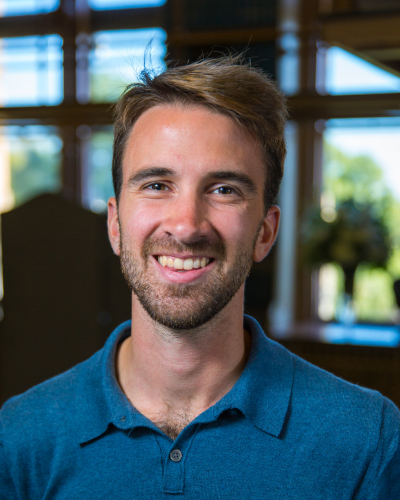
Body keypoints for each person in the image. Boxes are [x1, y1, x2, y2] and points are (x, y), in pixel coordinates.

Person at [1, 55, 399, 499]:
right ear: (115, 225)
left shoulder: (368, 441)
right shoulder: (19, 440)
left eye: (224, 190)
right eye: (156, 185)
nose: (186, 225)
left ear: (265, 232)